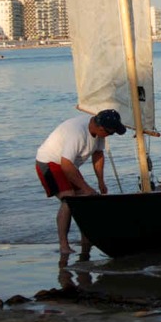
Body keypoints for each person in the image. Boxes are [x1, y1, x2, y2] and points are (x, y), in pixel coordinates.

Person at [35, 109, 125, 254]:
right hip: (49, 162)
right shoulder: (77, 133)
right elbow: (65, 164)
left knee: (85, 198)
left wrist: (100, 182)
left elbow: (98, 154)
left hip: (68, 164)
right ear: (101, 128)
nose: (110, 135)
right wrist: (86, 187)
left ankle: (86, 240)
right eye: (111, 132)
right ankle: (64, 246)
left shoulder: (100, 132)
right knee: (69, 198)